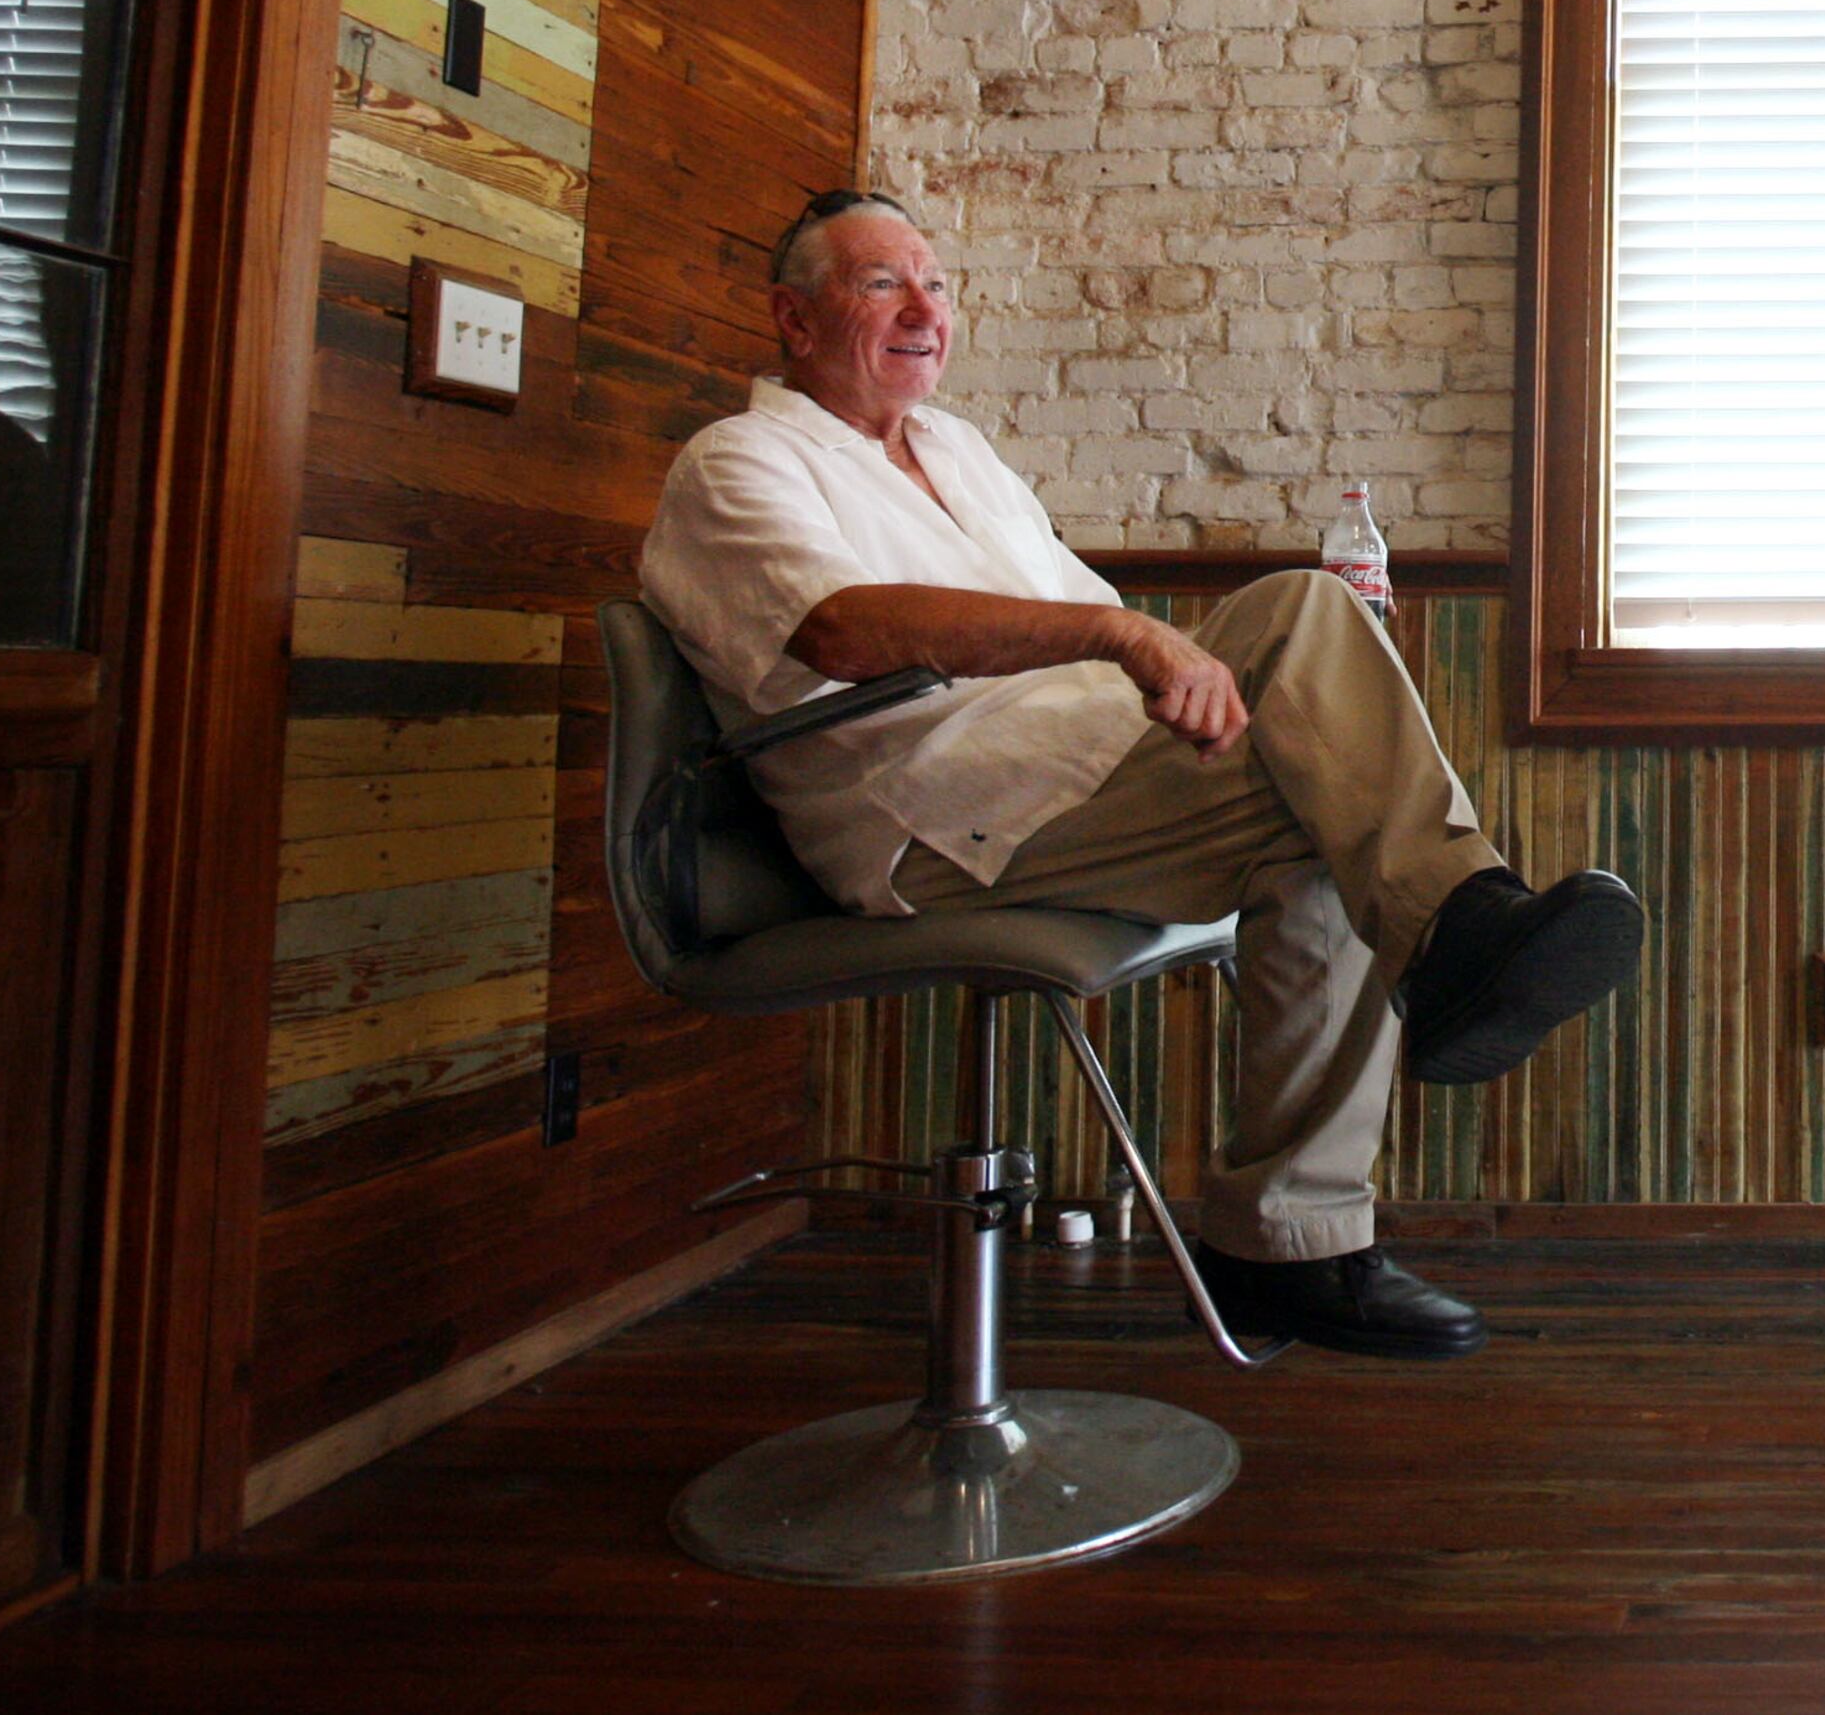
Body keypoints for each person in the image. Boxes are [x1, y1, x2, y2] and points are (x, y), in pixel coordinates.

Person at [638, 187, 1641, 1358]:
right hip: (931, 816)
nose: (924, 308)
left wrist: (1186, 682)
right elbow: (842, 630)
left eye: (938, 283)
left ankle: (1295, 1243)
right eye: (880, 284)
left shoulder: (958, 452)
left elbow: (1085, 614)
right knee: (1305, 627)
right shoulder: (737, 461)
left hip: (1068, 771)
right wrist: (1133, 645)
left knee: (1324, 797)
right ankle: (1448, 951)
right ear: (793, 318)